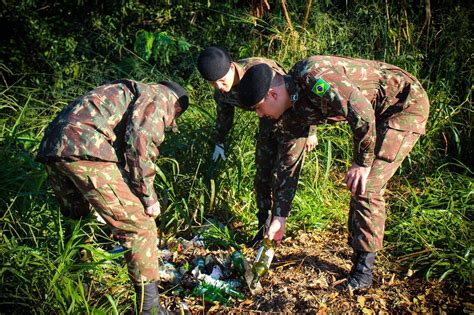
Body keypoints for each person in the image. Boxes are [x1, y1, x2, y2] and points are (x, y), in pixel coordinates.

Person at [237, 56, 430, 290]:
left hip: (403, 105)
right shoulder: (293, 109)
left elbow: (361, 111)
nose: (259, 115)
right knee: (361, 183)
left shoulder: (314, 78)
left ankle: (364, 273)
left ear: (273, 95)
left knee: (366, 185)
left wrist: (362, 162)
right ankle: (359, 254)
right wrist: (280, 216)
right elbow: (289, 166)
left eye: (258, 107)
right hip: (374, 112)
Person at [36, 79, 189, 314]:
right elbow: (141, 142)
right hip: (85, 145)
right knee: (140, 226)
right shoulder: (160, 97)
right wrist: (148, 197)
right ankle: (149, 309)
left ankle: (79, 289)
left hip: (54, 146)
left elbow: (120, 153)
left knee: (78, 221)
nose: (170, 122)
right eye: (173, 119)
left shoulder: (128, 92)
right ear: (176, 106)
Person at [197, 46, 318, 246]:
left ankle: (280, 225)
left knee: (284, 172)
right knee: (262, 175)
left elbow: (295, 91)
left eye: (221, 80)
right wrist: (219, 141)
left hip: (292, 120)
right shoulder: (222, 92)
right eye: (212, 83)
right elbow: (224, 116)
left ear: (232, 67)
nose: (219, 86)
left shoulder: (260, 70)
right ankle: (263, 228)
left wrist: (311, 130)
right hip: (266, 122)